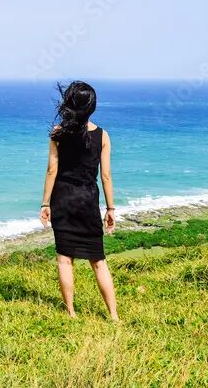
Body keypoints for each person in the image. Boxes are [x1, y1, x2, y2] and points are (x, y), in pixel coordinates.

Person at [39, 81, 118, 321]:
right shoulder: (103, 136)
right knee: (98, 261)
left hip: (62, 198)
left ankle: (71, 312)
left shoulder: (58, 133)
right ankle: (113, 316)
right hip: (87, 200)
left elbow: (52, 170)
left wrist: (45, 204)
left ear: (69, 104)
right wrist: (110, 208)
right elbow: (105, 175)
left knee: (65, 259)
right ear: (92, 107)